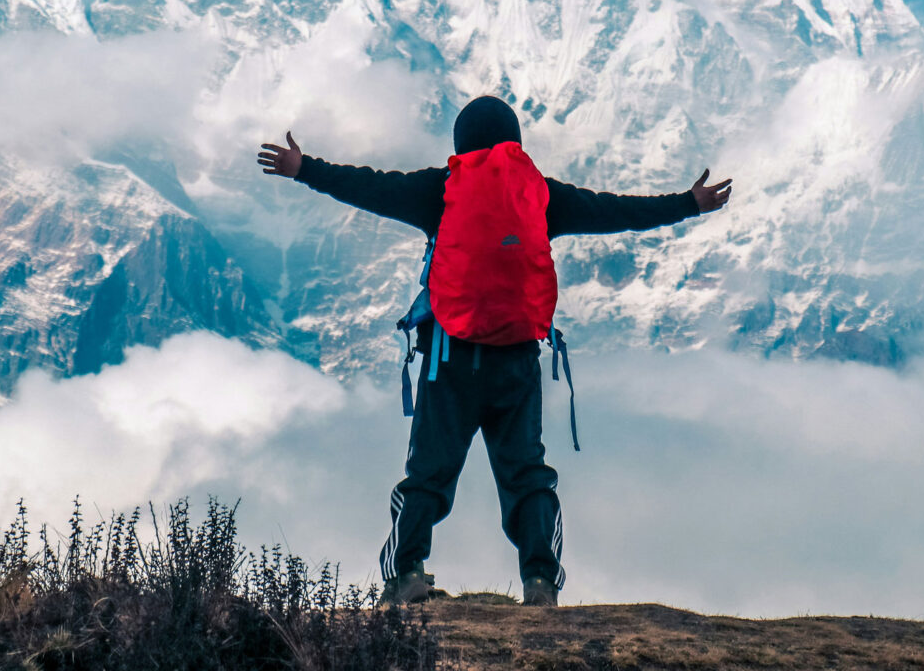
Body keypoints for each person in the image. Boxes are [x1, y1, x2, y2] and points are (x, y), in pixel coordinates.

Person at [258, 96, 731, 606]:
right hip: (516, 361)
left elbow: (370, 186)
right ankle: (540, 582)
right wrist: (687, 203)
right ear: (515, 142)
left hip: (449, 359)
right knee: (527, 477)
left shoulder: (439, 189)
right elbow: (616, 211)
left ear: (460, 143)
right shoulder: (541, 195)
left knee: (428, 474)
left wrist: (304, 169)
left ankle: (405, 577)